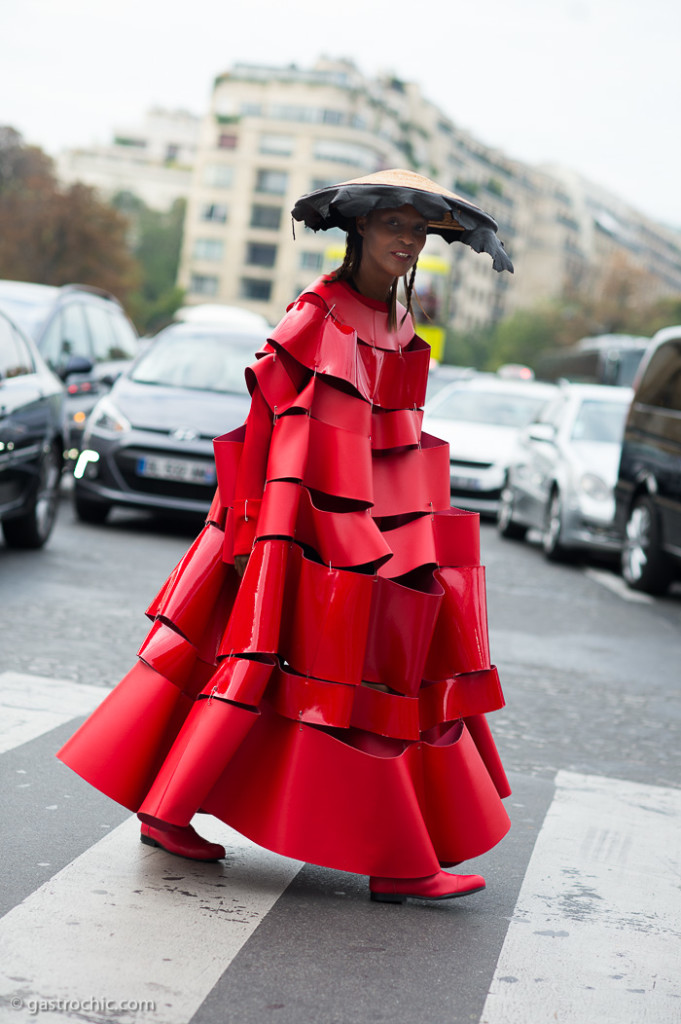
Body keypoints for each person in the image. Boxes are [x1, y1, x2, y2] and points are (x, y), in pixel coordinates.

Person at [58, 169, 514, 904]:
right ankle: (390, 860)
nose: (408, 240)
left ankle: (175, 809)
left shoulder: (397, 323)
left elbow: (393, 439)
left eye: (420, 231)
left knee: (382, 668)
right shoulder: (319, 313)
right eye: (394, 223)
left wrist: (410, 527)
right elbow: (283, 429)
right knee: (271, 658)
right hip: (304, 524)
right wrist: (277, 532)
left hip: (376, 524)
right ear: (359, 228)